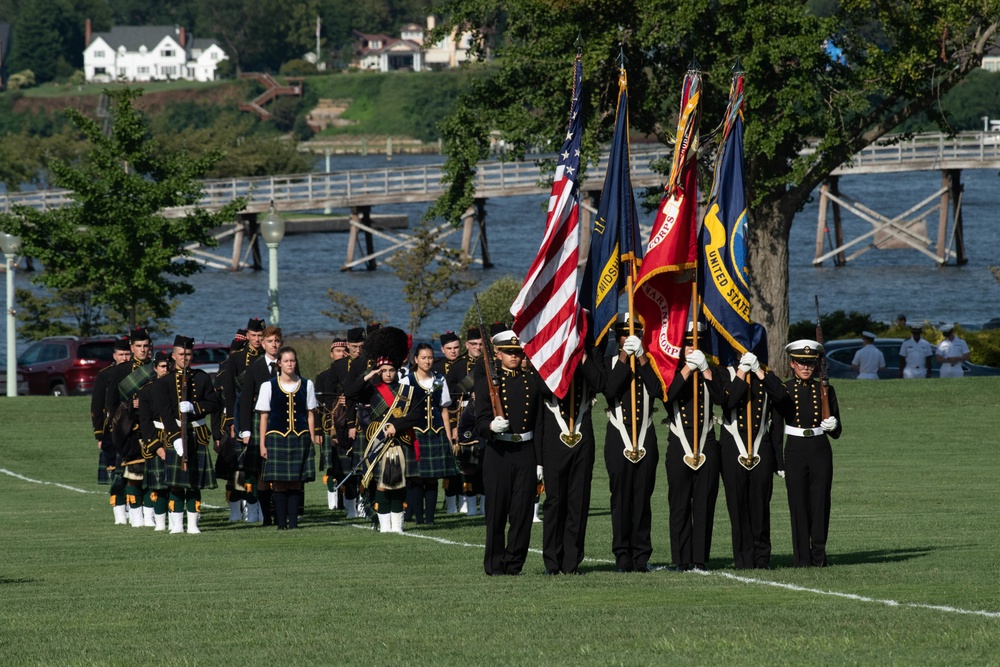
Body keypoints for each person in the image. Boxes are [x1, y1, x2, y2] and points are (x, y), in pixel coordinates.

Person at [647, 325, 723, 572]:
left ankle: (700, 558)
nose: (693, 348)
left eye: (697, 343)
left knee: (704, 502)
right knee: (679, 503)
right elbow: (667, 394)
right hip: (679, 441)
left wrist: (706, 370)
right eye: (688, 344)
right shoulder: (672, 373)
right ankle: (681, 559)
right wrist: (689, 368)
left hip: (707, 442)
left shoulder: (712, 371)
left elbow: (723, 398)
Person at [474, 324, 543, 575]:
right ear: (498, 353)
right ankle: (494, 564)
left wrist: (540, 461)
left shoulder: (531, 383)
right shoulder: (486, 384)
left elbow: (539, 423)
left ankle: (514, 564)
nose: (514, 356)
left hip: (525, 451)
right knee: (496, 512)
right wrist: (491, 426)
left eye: (518, 352)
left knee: (522, 512)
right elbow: (479, 422)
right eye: (509, 352)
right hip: (498, 453)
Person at [345, 327, 422, 533]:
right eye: (384, 371)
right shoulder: (371, 390)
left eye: (391, 370)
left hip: (399, 441)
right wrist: (368, 376)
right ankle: (384, 526)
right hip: (377, 442)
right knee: (380, 483)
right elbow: (350, 393)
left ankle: (397, 527)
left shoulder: (407, 391)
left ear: (396, 370)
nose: (388, 374)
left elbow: (417, 415)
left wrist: (396, 425)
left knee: (398, 485)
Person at [536, 344, 605, 575]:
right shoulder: (549, 348)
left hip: (583, 435)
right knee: (555, 501)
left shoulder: (592, 352)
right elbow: (542, 389)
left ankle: (572, 561)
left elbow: (600, 384)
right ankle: (552, 561)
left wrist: (582, 357)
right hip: (554, 434)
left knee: (579, 501)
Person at [773, 339, 842, 567]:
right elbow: (776, 427)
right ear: (791, 364)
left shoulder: (825, 389)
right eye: (801, 363)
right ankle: (802, 557)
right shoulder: (784, 389)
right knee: (798, 504)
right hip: (794, 449)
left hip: (820, 449)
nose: (806, 368)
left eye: (810, 364)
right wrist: (778, 462)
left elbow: (837, 430)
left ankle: (819, 555)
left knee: (820, 502)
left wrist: (833, 425)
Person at [717, 348, 785, 570]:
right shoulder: (725, 373)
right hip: (732, 447)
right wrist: (741, 372)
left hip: (760, 447)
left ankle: (762, 558)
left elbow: (782, 398)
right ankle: (743, 559)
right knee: (737, 506)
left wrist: (759, 372)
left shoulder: (766, 375)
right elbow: (729, 402)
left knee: (760, 504)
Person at [147, 335, 221, 534]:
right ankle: (177, 525)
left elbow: (215, 404)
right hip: (175, 434)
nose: (185, 357)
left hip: (197, 432)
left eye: (188, 354)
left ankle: (194, 525)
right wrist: (175, 438)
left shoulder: (203, 377)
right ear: (174, 356)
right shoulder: (165, 382)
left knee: (194, 482)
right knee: (177, 483)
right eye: (181, 354)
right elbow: (165, 413)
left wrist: (195, 407)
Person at [602, 315, 658, 573]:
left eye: (636, 334)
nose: (631, 338)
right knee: (621, 498)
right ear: (618, 337)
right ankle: (622, 555)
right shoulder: (610, 362)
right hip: (618, 438)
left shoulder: (652, 362)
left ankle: (641, 555)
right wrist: (625, 356)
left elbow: (657, 391)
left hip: (646, 436)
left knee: (642, 498)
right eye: (626, 334)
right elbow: (610, 389)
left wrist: (643, 356)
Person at [257, 346, 322, 530]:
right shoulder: (268, 386)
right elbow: (264, 417)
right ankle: (280, 523)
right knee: (278, 482)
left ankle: (293, 523)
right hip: (276, 439)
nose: (290, 364)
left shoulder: (307, 384)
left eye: (292, 360)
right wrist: (262, 444)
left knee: (295, 481)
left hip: (300, 438)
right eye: (286, 361)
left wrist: (310, 438)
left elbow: (310, 414)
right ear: (279, 363)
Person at [104, 327, 156, 528]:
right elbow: (112, 404)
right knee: (134, 474)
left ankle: (150, 515)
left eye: (145, 346)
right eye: (138, 346)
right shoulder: (120, 371)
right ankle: (135, 516)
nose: (142, 350)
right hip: (130, 428)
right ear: (132, 348)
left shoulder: (156, 368)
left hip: (152, 427)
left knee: (153, 475)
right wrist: (129, 406)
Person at [401, 343, 458, 525]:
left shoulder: (440, 379)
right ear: (416, 359)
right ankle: (419, 518)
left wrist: (448, 438)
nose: (427, 361)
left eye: (430, 357)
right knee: (417, 478)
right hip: (415, 434)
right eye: (423, 358)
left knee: (432, 479)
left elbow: (444, 411)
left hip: (436, 433)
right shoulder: (407, 381)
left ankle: (431, 519)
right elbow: (401, 411)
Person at [238, 326, 285, 525]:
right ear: (263, 343)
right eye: (270, 341)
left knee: (281, 471)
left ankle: (282, 514)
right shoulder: (255, 367)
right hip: (260, 423)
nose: (274, 344)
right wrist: (246, 430)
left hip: (283, 422)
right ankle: (267, 517)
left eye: (277, 341)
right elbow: (246, 401)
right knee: (263, 473)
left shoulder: (288, 364)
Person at [91, 335, 133, 525]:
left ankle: (134, 508)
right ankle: (119, 511)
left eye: (127, 354)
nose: (124, 358)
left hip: (133, 427)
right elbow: (97, 405)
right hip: (112, 429)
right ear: (114, 355)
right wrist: (99, 432)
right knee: (117, 472)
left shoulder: (137, 372)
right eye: (121, 354)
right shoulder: (105, 374)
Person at [447, 327, 486, 515]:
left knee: (486, 464)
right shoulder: (457, 366)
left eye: (481, 344)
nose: (478, 347)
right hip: (465, 418)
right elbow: (451, 401)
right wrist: (454, 426)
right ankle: (470, 506)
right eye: (474, 344)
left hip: (486, 415)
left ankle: (485, 505)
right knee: (468, 464)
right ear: (468, 345)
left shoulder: (490, 364)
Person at [138, 351, 173, 530]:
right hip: (156, 437)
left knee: (177, 483)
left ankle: (176, 521)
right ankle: (159, 522)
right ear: (155, 368)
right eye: (162, 367)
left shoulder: (178, 387)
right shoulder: (146, 391)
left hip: (176, 437)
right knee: (159, 484)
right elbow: (144, 422)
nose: (166, 370)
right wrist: (157, 447)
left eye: (168, 366)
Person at [315, 337, 350, 511]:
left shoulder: (353, 374)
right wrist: (318, 431)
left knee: (349, 463)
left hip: (349, 425)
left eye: (345, 350)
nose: (342, 353)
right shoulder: (322, 377)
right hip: (329, 428)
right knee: (332, 466)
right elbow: (318, 407)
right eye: (338, 351)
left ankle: (350, 501)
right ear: (331, 354)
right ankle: (333, 502)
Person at [434, 331, 464, 514]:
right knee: (447, 463)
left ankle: (465, 500)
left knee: (466, 462)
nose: (453, 352)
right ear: (442, 349)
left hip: (463, 417)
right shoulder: (436, 366)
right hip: (442, 418)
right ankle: (450, 503)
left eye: (456, 348)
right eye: (449, 349)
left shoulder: (467, 365)